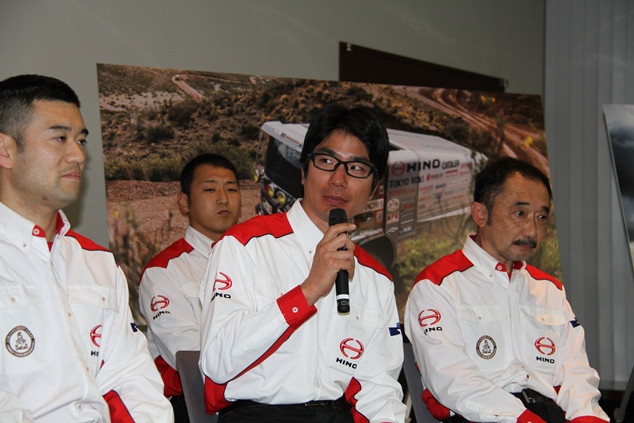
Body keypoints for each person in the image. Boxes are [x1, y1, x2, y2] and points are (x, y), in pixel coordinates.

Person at [199, 105, 407, 423]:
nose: (338, 180)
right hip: (259, 416)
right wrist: (308, 290)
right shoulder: (244, 246)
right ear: (303, 169)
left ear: (374, 188)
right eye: (326, 162)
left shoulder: (376, 278)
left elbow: (379, 391)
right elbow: (217, 361)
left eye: (356, 168)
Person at [0, 74, 173, 422]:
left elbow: (132, 379)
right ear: (5, 150)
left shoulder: (98, 264)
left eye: (81, 140)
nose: (78, 155)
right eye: (59, 138)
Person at [404, 157, 609, 423]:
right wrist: (523, 419)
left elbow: (576, 373)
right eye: (520, 213)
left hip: (548, 413)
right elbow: (452, 379)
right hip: (480, 416)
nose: (532, 230)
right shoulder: (438, 285)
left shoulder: (550, 290)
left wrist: (588, 418)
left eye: (542, 217)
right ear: (481, 214)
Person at [139, 153, 241, 422]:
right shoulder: (164, 271)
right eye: (210, 189)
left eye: (231, 189)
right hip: (193, 404)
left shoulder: (256, 261)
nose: (223, 198)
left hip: (257, 402)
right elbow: (187, 354)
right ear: (184, 202)